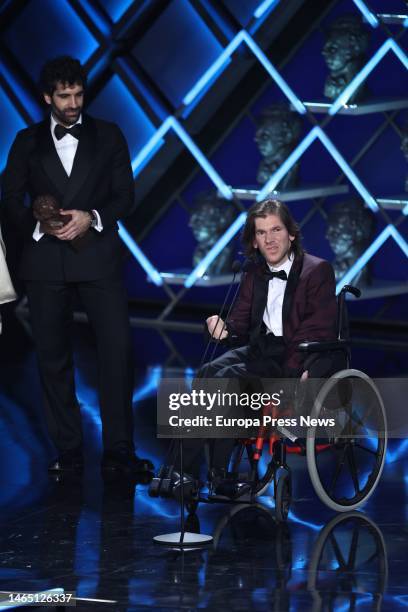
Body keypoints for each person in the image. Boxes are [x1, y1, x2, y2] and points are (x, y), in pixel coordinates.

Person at [1, 56, 153, 475]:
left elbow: (125, 195)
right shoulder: (25, 142)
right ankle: (68, 452)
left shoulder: (109, 136)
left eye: (79, 94)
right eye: (64, 96)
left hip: (98, 257)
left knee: (116, 352)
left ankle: (119, 451)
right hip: (45, 262)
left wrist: (92, 217)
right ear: (47, 97)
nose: (73, 103)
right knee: (53, 358)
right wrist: (38, 222)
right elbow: (9, 200)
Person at [164, 198, 341, 500]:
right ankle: (195, 472)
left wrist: (296, 373)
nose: (269, 239)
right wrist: (223, 327)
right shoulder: (254, 272)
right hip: (261, 348)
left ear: (292, 234)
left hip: (295, 354)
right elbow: (241, 320)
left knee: (225, 382)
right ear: (254, 240)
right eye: (261, 233)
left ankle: (200, 472)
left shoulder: (317, 271)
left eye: (275, 230)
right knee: (208, 372)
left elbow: (318, 328)